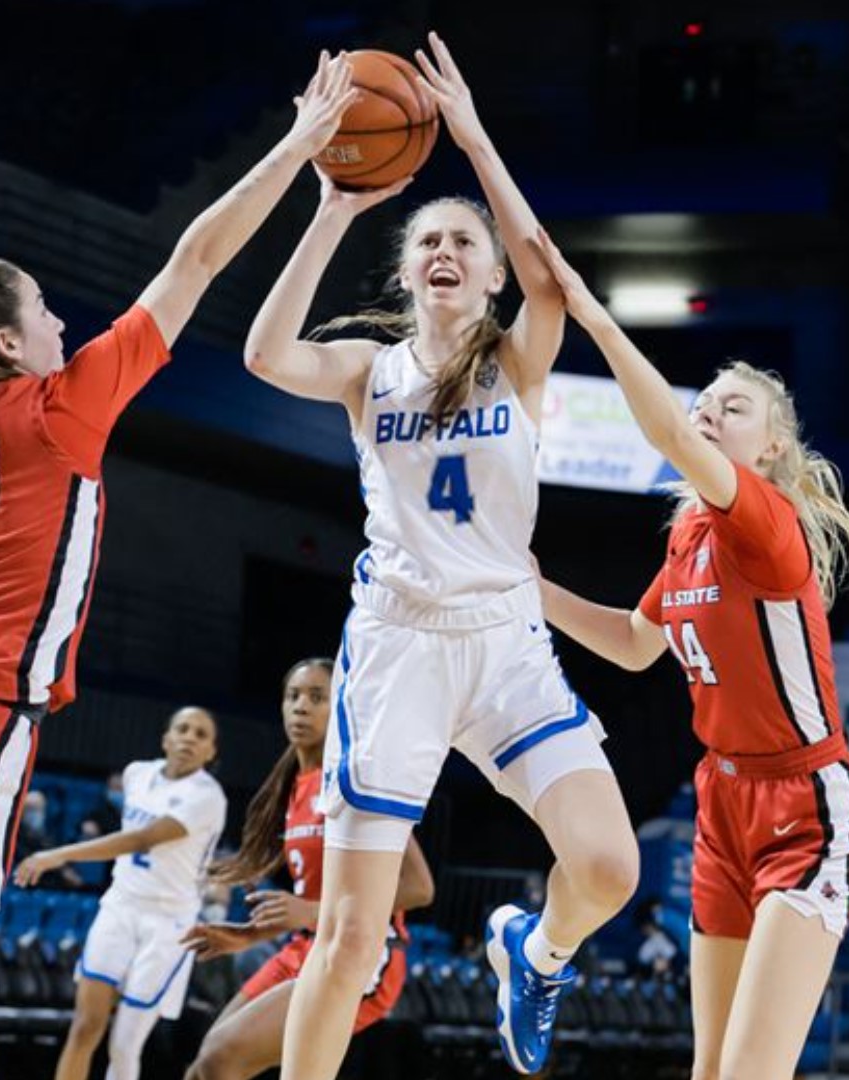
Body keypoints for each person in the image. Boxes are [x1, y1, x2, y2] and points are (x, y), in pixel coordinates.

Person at [0, 52, 365, 1080]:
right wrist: (297, 146)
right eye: (47, 314)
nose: (63, 325)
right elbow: (195, 260)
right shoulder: (61, 406)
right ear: (9, 342)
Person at [242, 33, 637, 1078]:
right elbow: (264, 353)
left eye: (465, 238)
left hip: (506, 641)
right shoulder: (370, 371)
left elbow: (551, 276)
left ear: (493, 272)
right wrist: (333, 204)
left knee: (607, 866)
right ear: (410, 269)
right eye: (428, 241)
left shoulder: (517, 358)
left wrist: (468, 135)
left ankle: (533, 946)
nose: (446, 250)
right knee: (348, 939)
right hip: (400, 652)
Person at [527, 231, 849, 1079]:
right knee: (711, 1071)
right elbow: (635, 644)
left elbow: (676, 443)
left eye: (734, 408)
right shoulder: (688, 532)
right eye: (707, 401)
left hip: (808, 801)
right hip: (722, 799)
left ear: (769, 451)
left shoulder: (763, 522)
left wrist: (589, 312)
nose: (710, 413)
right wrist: (528, 588)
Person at [181, 659, 435, 1080]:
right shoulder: (296, 786)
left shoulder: (354, 778)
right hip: (308, 945)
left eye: (317, 697)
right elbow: (310, 901)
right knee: (205, 1068)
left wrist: (312, 912)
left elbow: (419, 887)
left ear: (339, 706)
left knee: (222, 1060)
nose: (301, 706)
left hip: (363, 951)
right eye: (293, 696)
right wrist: (249, 935)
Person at [12, 707, 227, 1080]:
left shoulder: (208, 796)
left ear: (211, 752)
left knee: (125, 1044)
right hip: (120, 907)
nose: (190, 737)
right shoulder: (136, 774)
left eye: (201, 734)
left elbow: (141, 839)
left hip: (168, 922)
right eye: (183, 729)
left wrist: (57, 854)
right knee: (84, 1027)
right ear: (166, 738)